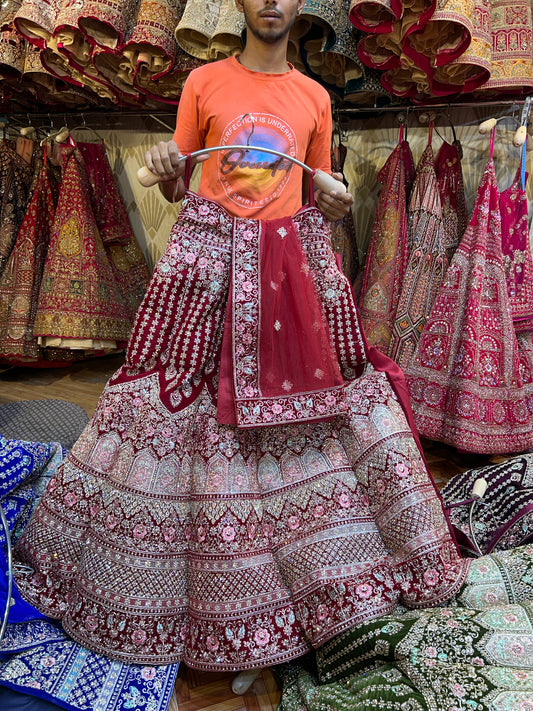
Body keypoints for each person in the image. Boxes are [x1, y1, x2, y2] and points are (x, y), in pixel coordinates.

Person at [14, 0, 469, 698]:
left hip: (289, 270)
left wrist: (337, 203)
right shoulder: (203, 83)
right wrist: (167, 166)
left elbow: (316, 194)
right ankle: (196, 593)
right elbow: (178, 181)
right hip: (206, 270)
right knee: (178, 411)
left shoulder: (315, 96)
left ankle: (321, 579)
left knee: (317, 417)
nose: (271, 3)